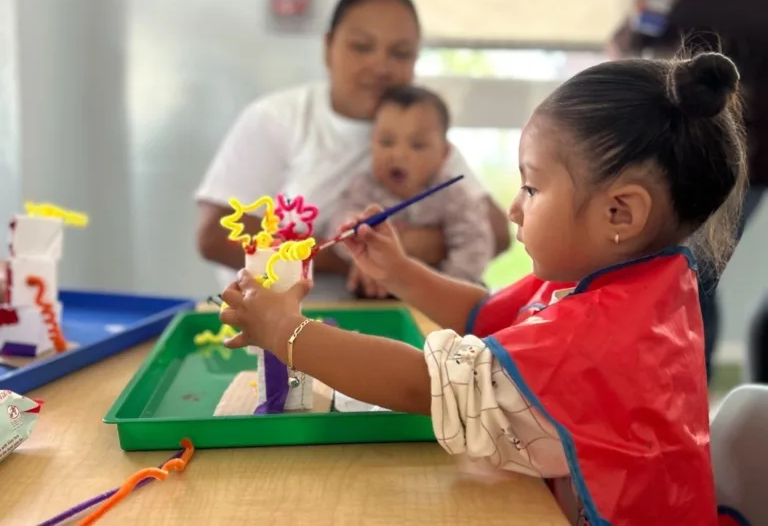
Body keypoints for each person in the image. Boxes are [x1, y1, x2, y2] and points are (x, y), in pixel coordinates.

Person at [219, 51, 747, 524]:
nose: (514, 208)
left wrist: (286, 331)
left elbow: (424, 385)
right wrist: (399, 271)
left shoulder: (604, 333)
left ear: (620, 212)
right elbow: (488, 316)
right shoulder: (629, 284)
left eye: (531, 187)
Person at [194, 0, 510, 298]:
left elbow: (497, 232)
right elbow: (216, 237)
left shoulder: (418, 130)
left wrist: (426, 245)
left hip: (391, 320)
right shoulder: (276, 119)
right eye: (361, 47)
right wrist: (362, 258)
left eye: (400, 53)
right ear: (328, 47)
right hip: (279, 317)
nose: (380, 66)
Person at [608, 0, 767, 382]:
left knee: (692, 273)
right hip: (676, 148)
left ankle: (685, 392)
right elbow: (628, 52)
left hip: (744, 156)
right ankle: (669, 389)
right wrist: (637, 17)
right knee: (679, 272)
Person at [328, 85, 493, 297]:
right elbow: (340, 230)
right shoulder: (363, 188)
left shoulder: (455, 196)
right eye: (386, 142)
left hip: (439, 298)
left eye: (417, 145)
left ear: (444, 154)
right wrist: (361, 243)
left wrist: (447, 289)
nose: (398, 154)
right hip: (378, 296)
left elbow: (473, 245)